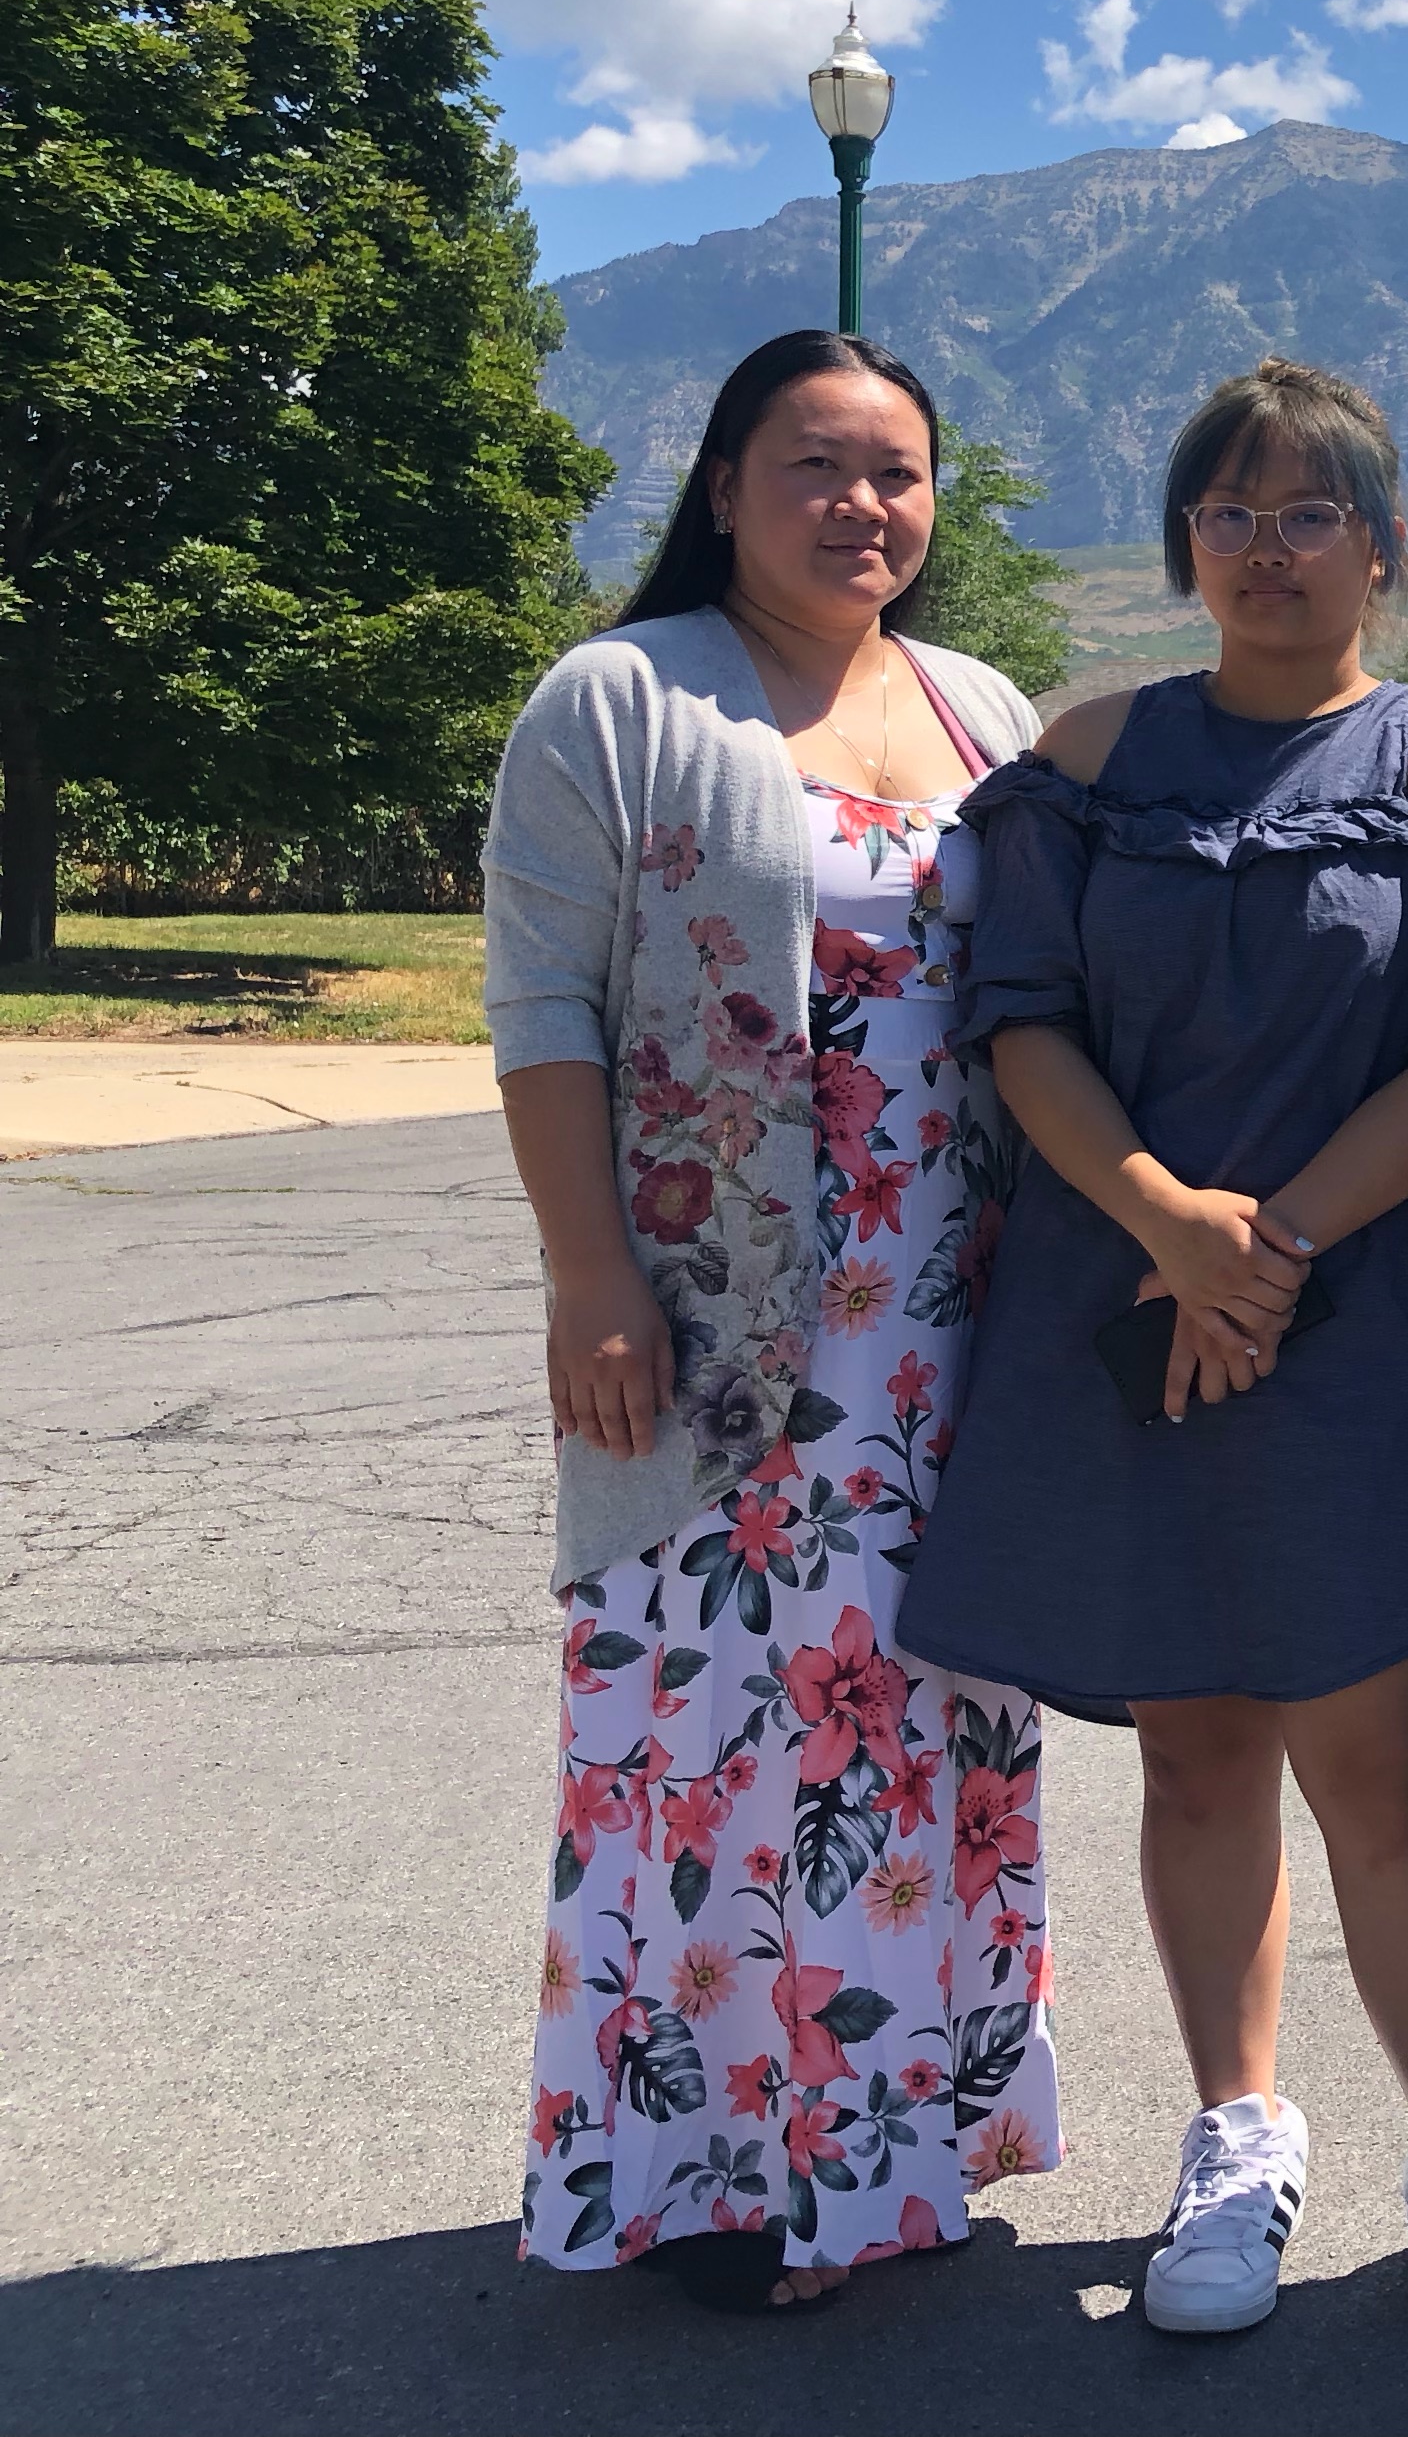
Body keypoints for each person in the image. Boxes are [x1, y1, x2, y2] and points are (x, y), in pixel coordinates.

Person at [893, 359, 1408, 2365]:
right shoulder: (1090, 757)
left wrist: (1264, 1250)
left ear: (1387, 544)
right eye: (1231, 512)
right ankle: (1236, 2135)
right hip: (1120, 1297)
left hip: (1367, 1311)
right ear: (1187, 539)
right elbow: (1020, 1017)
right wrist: (1170, 1227)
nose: (1270, 549)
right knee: (1194, 1744)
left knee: (1380, 1753)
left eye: (1312, 511)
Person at [486, 329, 1064, 2310]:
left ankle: (900, 2148)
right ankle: (726, 2175)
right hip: (717, 1332)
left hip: (952, 1335)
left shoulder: (982, 708)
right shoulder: (625, 697)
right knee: (718, 1742)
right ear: (724, 485)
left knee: (921, 1724)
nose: (861, 505)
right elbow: (542, 1004)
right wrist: (587, 1273)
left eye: (896, 471)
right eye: (815, 465)